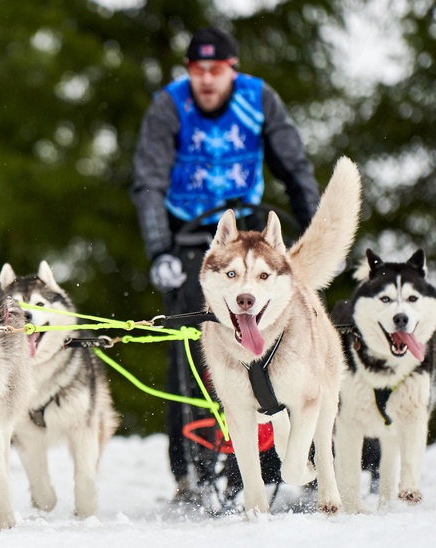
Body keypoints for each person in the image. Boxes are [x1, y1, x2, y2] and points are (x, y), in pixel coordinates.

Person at [129, 26, 322, 504]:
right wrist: (160, 253)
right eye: (198, 71)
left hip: (253, 235)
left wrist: (311, 236)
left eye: (216, 70)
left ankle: (277, 458)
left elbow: (294, 167)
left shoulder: (258, 99)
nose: (207, 80)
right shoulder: (170, 105)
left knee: (282, 339)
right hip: (192, 240)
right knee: (193, 349)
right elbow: (148, 182)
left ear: (233, 69)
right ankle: (193, 466)